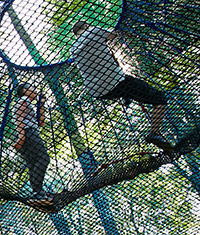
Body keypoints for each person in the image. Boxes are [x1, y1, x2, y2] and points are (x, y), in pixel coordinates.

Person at [70, 20, 172, 152]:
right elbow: (113, 35)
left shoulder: (73, 49)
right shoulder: (92, 31)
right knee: (160, 99)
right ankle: (154, 132)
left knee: (125, 85)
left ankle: (126, 96)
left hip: (99, 92)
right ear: (86, 26)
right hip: (117, 82)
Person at [14, 83, 51, 201]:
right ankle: (38, 191)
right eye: (32, 88)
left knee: (32, 163)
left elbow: (40, 122)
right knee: (44, 158)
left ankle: (37, 194)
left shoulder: (29, 104)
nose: (35, 91)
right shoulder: (24, 100)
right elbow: (18, 116)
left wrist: (41, 104)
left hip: (28, 133)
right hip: (27, 133)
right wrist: (22, 136)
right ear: (25, 91)